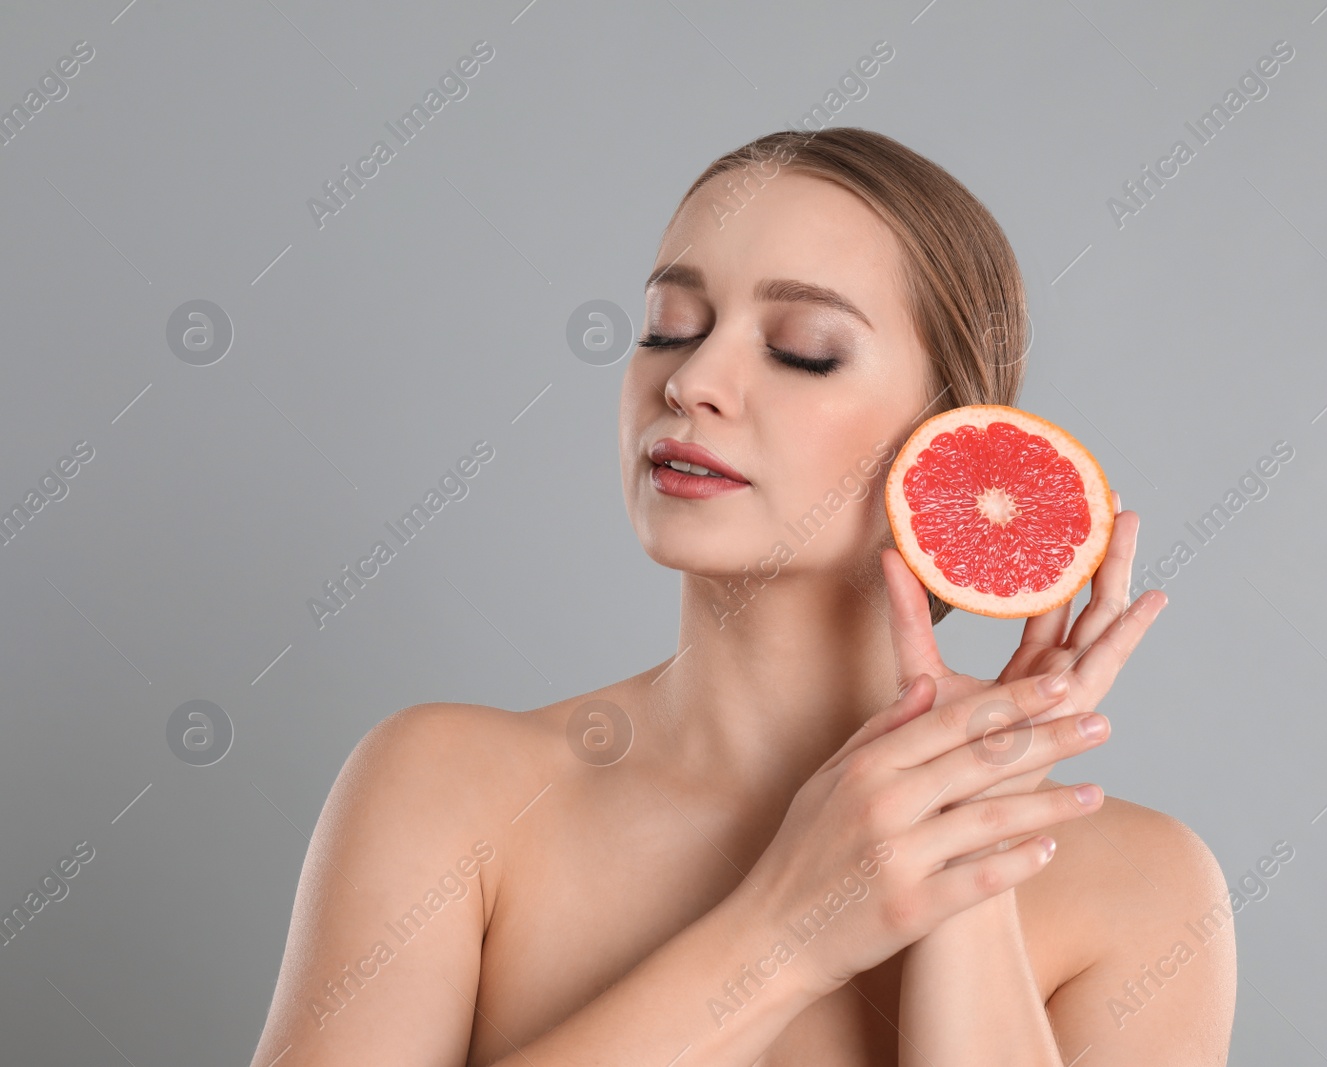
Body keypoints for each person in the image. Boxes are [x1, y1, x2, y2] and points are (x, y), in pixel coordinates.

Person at [251, 126, 1236, 1066]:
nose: (693, 379)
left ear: (952, 435)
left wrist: (963, 855)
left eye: (802, 347)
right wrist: (787, 928)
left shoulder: (1144, 887)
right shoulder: (447, 788)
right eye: (668, 328)